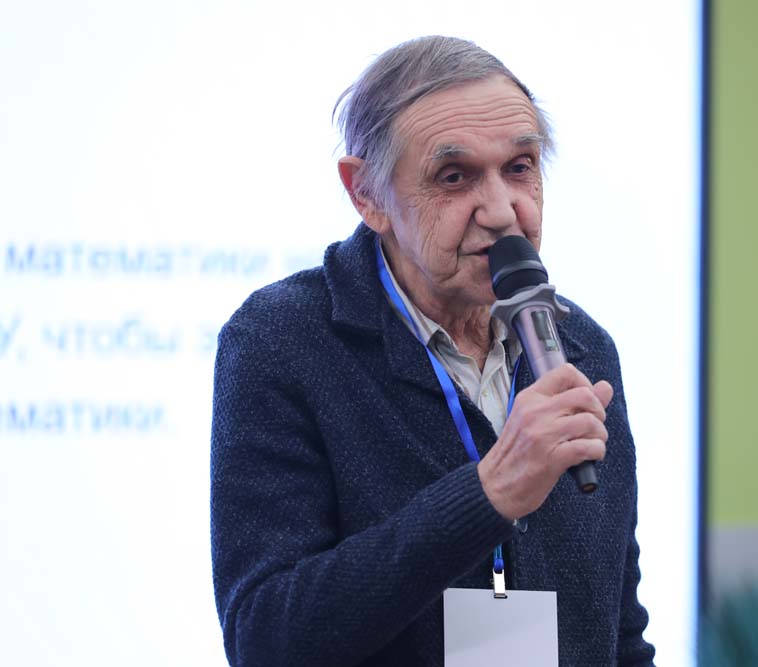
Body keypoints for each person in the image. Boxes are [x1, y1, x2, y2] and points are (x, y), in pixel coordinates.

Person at [210, 35, 656, 666]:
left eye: (520, 167)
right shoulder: (282, 341)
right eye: (455, 177)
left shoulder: (582, 350)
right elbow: (266, 639)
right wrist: (488, 494)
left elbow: (619, 634)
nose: (501, 211)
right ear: (366, 194)